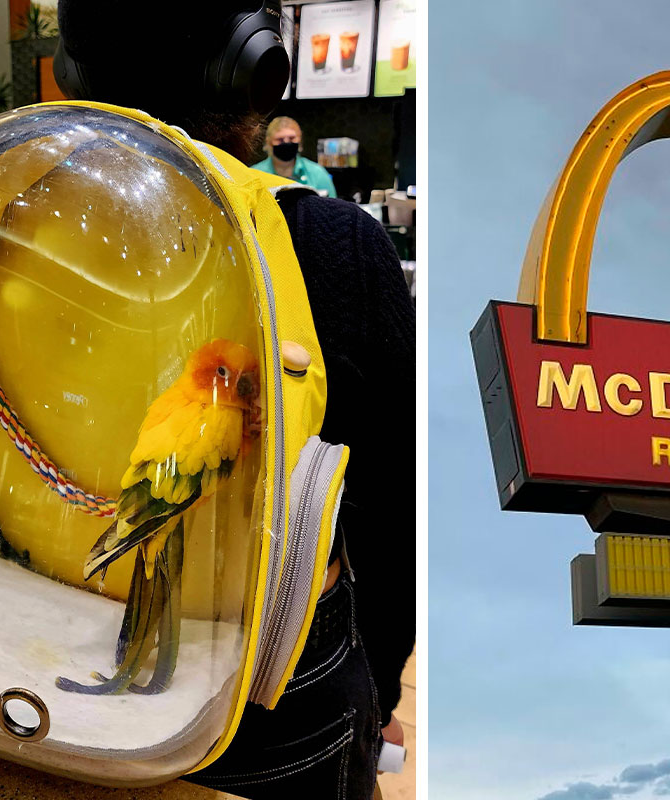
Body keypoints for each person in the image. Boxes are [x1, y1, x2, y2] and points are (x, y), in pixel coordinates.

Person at [54, 2, 415, 798]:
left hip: (22, 655)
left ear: (68, 73)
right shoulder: (336, 248)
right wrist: (379, 694)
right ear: (258, 69)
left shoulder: (6, 216)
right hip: (263, 710)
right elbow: (390, 524)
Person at [252, 116, 339, 198]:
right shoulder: (254, 175)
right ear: (269, 143)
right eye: (280, 139)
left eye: (292, 138)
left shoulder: (317, 173)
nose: (286, 143)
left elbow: (333, 208)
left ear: (300, 140)